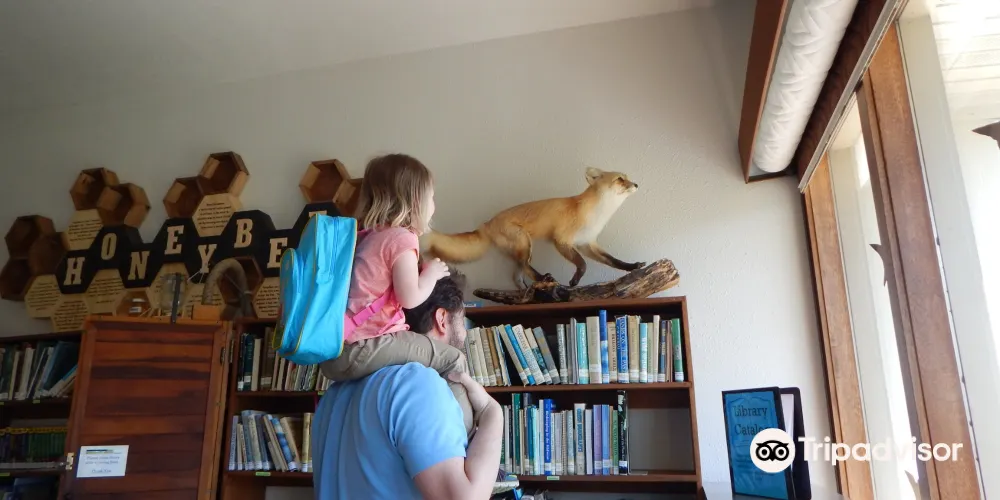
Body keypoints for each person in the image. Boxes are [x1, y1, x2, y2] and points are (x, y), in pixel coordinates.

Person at [319, 153, 474, 433]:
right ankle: (464, 436)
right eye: (431, 197)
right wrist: (431, 274)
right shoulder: (402, 238)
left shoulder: (367, 238)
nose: (434, 205)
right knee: (452, 358)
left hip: (335, 352)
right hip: (364, 347)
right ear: (414, 199)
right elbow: (410, 298)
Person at [311, 276, 504, 500]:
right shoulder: (420, 385)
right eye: (463, 321)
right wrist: (492, 413)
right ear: (442, 318)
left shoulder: (335, 393)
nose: (465, 332)